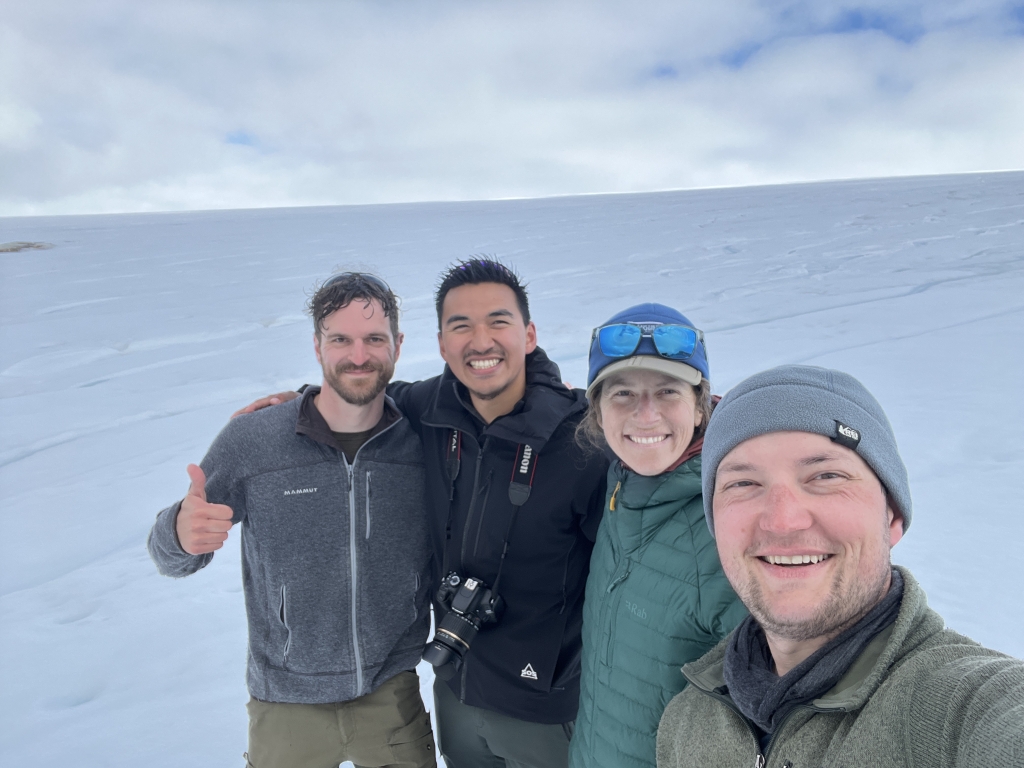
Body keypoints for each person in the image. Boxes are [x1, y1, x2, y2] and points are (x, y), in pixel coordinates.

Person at [239, 259, 609, 768]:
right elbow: (360, 392)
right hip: (455, 689)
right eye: (461, 325)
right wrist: (300, 404)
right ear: (440, 344)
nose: (481, 341)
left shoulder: (585, 439)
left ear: (528, 334)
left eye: (498, 322)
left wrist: (699, 418)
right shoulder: (429, 410)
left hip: (546, 709)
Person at [656, 364, 1024, 768]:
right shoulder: (688, 719)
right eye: (743, 484)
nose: (782, 520)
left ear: (892, 516)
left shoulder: (959, 706)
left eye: (826, 475)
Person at [147, 273, 436, 768]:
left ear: (398, 345)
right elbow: (169, 557)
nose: (359, 356)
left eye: (374, 339)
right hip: (285, 704)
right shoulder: (255, 440)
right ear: (318, 346)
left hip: (391, 696)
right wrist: (179, 532)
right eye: (340, 339)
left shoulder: (424, 441)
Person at [568, 304, 747, 768]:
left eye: (667, 391)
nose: (645, 415)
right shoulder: (622, 485)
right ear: (598, 410)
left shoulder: (730, 528)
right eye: (622, 393)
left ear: (701, 404)